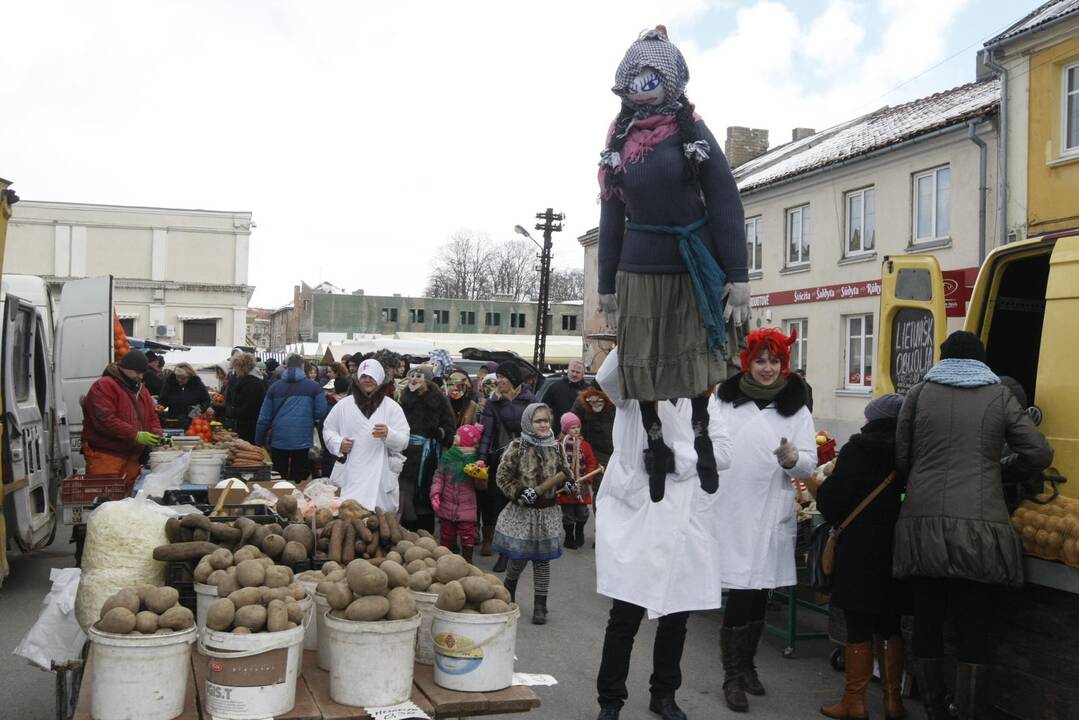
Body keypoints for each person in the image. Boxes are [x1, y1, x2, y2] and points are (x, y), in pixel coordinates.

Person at [597, 27, 750, 505]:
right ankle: (656, 440)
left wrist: (739, 275)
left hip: (690, 261)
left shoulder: (691, 130)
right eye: (636, 76)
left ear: (672, 79)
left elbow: (725, 200)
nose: (643, 85)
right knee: (640, 360)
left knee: (696, 352)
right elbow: (610, 210)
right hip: (638, 266)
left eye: (653, 75)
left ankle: (701, 432)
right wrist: (605, 283)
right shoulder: (618, 137)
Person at [892, 331, 1052, 720]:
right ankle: (968, 712)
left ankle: (933, 709)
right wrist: (1000, 470)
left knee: (928, 617)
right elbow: (1039, 452)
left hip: (922, 524)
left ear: (943, 358)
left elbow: (901, 456)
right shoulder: (999, 395)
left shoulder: (918, 394)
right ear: (982, 361)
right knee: (974, 621)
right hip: (981, 527)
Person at [593, 349, 732, 720]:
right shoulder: (632, 391)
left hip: (685, 519)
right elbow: (607, 375)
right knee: (625, 614)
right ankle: (610, 700)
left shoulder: (703, 398)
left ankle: (664, 693)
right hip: (637, 516)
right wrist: (641, 320)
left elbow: (724, 452)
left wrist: (677, 460)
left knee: (676, 616)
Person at [714, 326, 815, 712]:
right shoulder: (724, 400)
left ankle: (748, 666)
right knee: (741, 589)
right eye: (760, 360)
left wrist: (795, 460)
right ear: (748, 362)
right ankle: (732, 676)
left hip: (772, 507)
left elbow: (809, 460)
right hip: (733, 506)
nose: (767, 367)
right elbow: (710, 443)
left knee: (760, 591)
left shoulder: (796, 406)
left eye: (774, 361)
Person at [811, 393, 910, 720]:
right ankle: (893, 702)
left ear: (873, 419)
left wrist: (815, 485)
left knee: (858, 623)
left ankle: (855, 702)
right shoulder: (909, 451)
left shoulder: (859, 449)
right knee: (890, 621)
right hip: (897, 546)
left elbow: (833, 501)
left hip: (860, 549)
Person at [491, 402, 575, 625]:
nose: (543, 424)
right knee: (519, 557)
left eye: (546, 420)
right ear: (529, 422)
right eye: (538, 421)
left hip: (547, 514)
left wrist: (568, 484)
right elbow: (502, 477)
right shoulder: (517, 447)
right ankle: (509, 589)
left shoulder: (555, 447)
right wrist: (519, 491)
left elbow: (565, 473)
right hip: (523, 514)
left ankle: (541, 605)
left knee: (542, 561)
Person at [322, 359, 410, 511]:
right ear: (357, 380)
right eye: (364, 377)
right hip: (351, 475)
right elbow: (328, 429)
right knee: (349, 517)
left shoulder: (392, 407)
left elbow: (404, 441)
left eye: (372, 377)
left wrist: (389, 434)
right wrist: (338, 443)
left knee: (380, 522)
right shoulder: (343, 405)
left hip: (380, 479)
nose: (367, 380)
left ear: (380, 380)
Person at [478, 361, 537, 569]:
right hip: (500, 461)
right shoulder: (493, 402)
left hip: (523, 462)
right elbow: (486, 434)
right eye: (498, 377)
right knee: (499, 506)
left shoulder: (530, 401)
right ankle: (503, 553)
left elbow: (537, 430)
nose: (499, 381)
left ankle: (516, 548)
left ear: (513, 380)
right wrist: (481, 459)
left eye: (503, 377)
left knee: (518, 505)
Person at [80, 350, 163, 492]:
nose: (140, 377)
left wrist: (158, 435)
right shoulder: (104, 386)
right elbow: (105, 420)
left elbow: (152, 416)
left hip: (132, 457)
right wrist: (135, 435)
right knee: (105, 502)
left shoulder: (141, 390)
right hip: (106, 455)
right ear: (125, 368)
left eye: (143, 373)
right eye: (137, 372)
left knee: (126, 504)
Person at [397, 364, 457, 533]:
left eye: (419, 376)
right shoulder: (404, 399)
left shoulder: (439, 400)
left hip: (428, 455)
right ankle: (408, 531)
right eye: (412, 376)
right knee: (405, 493)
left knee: (425, 493)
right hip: (407, 454)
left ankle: (426, 533)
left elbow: (449, 425)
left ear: (428, 381)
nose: (414, 379)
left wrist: (440, 433)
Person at [255, 353, 328, 482]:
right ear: (302, 366)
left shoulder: (274, 387)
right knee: (299, 477)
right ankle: (297, 500)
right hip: (303, 439)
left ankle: (279, 499)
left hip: (279, 439)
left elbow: (264, 418)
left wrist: (258, 440)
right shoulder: (314, 387)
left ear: (286, 366)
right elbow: (321, 412)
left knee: (279, 477)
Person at [430, 423, 485, 561]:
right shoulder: (448, 456)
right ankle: (446, 560)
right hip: (447, 503)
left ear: (467, 440)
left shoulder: (475, 460)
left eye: (459, 435)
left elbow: (480, 487)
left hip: (466, 507)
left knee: (467, 534)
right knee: (446, 534)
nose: (455, 436)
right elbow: (439, 476)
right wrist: (435, 493)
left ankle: (467, 560)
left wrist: (480, 474)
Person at [557, 412, 597, 550]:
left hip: (581, 484)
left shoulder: (585, 445)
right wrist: (563, 479)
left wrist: (588, 477)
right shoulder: (559, 446)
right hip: (566, 485)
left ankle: (579, 531)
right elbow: (557, 465)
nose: (576, 430)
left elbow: (592, 462)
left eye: (578, 427)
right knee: (568, 514)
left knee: (583, 512)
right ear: (565, 429)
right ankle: (569, 537)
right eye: (572, 427)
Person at [224, 353, 265, 443]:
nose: (235, 370)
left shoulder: (253, 384)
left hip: (249, 427)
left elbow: (248, 409)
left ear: (242, 367)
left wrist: (231, 411)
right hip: (242, 425)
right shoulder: (243, 380)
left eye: (236, 367)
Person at [157, 362, 211, 428]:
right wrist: (160, 407)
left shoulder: (197, 384)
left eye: (183, 378)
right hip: (173, 421)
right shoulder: (170, 383)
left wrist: (194, 413)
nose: (179, 380)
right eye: (178, 377)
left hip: (193, 423)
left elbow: (206, 401)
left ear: (189, 376)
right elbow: (163, 400)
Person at [544, 360, 592, 430]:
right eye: (572, 371)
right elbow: (545, 408)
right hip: (558, 431)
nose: (574, 374)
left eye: (578, 372)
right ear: (568, 371)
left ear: (583, 374)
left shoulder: (589, 390)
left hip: (581, 432)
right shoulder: (555, 387)